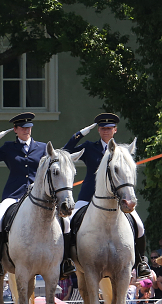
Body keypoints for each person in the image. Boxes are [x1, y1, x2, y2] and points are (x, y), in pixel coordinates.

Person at [64, 113, 152, 278]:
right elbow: (66, 152)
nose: (106, 131)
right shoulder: (90, 147)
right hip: (88, 197)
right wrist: (79, 134)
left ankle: (141, 262)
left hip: (116, 201)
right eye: (103, 128)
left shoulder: (122, 152)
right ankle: (66, 261)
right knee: (67, 224)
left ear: (115, 130)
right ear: (98, 130)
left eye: (109, 128)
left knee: (139, 225)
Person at [0, 112, 48, 280]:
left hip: (36, 195)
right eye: (22, 128)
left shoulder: (42, 147)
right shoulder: (9, 147)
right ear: (15, 130)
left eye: (29, 127)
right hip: (14, 193)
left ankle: (64, 259)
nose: (26, 130)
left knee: (61, 220)